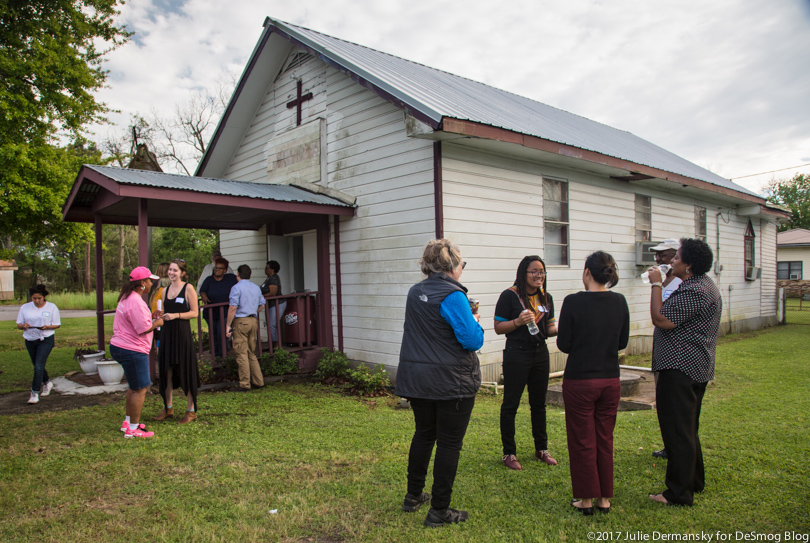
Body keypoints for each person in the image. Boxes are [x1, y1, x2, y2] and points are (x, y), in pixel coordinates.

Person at [395, 239, 484, 528]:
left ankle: (413, 496)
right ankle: (439, 511)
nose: (462, 269)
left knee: (424, 435)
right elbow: (471, 340)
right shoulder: (453, 296)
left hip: (418, 379)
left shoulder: (415, 292)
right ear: (452, 266)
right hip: (450, 382)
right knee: (449, 443)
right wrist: (475, 321)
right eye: (462, 264)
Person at [646, 238, 722, 507]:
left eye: (676, 258)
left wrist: (656, 284)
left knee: (677, 430)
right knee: (687, 429)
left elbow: (661, 319)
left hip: (680, 368)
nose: (671, 261)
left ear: (688, 265)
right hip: (692, 367)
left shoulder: (696, 291)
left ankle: (677, 493)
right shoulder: (699, 285)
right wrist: (663, 281)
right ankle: (694, 481)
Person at [556, 251, 630, 515]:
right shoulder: (620, 301)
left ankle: (586, 499)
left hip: (580, 381)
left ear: (586, 271)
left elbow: (563, 344)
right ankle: (604, 499)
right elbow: (622, 342)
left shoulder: (573, 302)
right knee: (604, 439)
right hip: (610, 380)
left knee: (581, 440)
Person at [494, 255, 558, 471]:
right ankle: (509, 453)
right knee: (510, 404)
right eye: (534, 271)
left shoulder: (545, 298)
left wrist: (569, 325)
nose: (539, 275)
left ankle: (541, 449)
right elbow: (498, 327)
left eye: (542, 271)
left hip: (540, 354)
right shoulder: (509, 296)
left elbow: (549, 330)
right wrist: (517, 322)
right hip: (517, 353)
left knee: (539, 404)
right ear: (523, 273)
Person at [110, 267, 163, 438]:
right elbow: (144, 328)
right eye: (149, 281)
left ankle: (128, 422)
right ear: (142, 283)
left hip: (121, 346)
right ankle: (133, 429)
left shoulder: (127, 298)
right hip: (132, 350)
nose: (151, 283)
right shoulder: (136, 302)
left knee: (133, 387)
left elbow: (139, 320)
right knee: (140, 389)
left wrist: (152, 316)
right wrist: (158, 321)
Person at [154, 259, 200, 424]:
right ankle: (168, 408)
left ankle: (191, 410)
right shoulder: (165, 290)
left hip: (182, 334)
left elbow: (195, 313)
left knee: (185, 370)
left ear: (183, 273)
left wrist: (176, 316)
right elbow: (166, 312)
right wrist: (161, 315)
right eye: (170, 270)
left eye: (175, 270)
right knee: (167, 370)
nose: (171, 273)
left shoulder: (188, 288)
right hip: (167, 334)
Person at [649, 239, 683, 460]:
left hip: (677, 350)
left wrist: (656, 285)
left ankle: (678, 446)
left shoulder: (683, 281)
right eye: (657, 255)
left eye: (664, 254)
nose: (659, 259)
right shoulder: (666, 277)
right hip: (662, 346)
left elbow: (664, 316)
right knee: (662, 399)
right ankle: (669, 444)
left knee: (676, 404)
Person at [16, 285, 61, 405]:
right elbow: (19, 324)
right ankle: (47, 382)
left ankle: (34, 393)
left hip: (46, 338)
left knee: (38, 365)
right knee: (37, 364)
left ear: (43, 297)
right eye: (34, 298)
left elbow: (57, 324)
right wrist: (23, 326)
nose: (36, 301)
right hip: (30, 338)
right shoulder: (25, 307)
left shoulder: (51, 307)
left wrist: (47, 327)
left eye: (39, 298)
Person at [226, 264, 266, 391]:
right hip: (253, 320)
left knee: (241, 353)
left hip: (241, 321)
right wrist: (254, 311)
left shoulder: (236, 288)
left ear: (238, 274)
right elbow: (263, 304)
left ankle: (244, 384)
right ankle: (259, 381)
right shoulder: (256, 288)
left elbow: (233, 307)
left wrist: (228, 325)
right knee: (251, 352)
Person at [199, 257, 238, 359]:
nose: (217, 270)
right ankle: (215, 354)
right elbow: (202, 290)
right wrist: (204, 295)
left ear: (225, 270)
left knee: (222, 332)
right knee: (214, 333)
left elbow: (240, 285)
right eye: (216, 268)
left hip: (225, 312)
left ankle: (223, 355)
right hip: (211, 313)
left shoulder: (230, 278)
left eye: (220, 268)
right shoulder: (209, 280)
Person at [260, 260, 287, 347]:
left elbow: (273, 293)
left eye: (267, 268)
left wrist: (261, 297)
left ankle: (276, 346)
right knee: (270, 324)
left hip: (277, 303)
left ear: (272, 270)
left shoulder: (274, 278)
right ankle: (272, 345)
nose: (265, 269)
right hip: (270, 304)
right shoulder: (268, 279)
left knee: (272, 324)